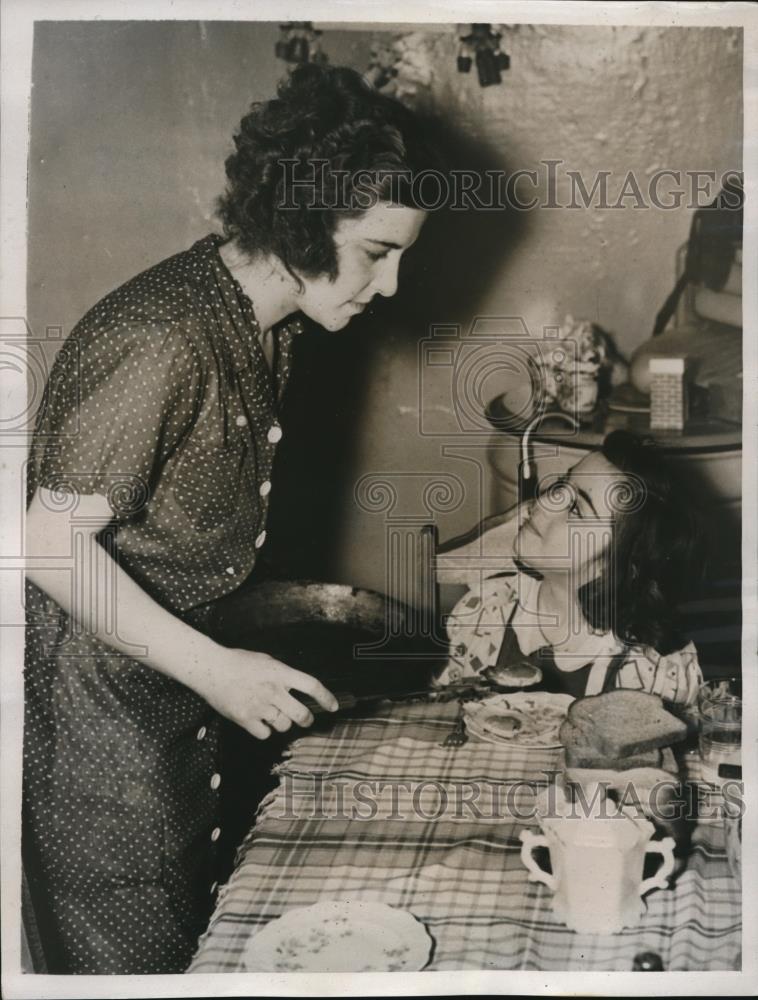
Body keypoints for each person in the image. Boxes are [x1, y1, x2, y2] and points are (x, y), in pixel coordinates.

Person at [23, 65, 436, 974]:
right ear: (299, 221)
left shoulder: (269, 324)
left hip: (170, 703)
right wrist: (217, 668)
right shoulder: (164, 338)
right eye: (377, 251)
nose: (393, 286)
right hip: (99, 742)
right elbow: (42, 546)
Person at [434, 430, 703, 704]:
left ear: (614, 563)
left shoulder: (652, 673)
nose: (544, 502)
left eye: (575, 508)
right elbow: (449, 716)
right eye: (561, 486)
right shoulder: (485, 609)